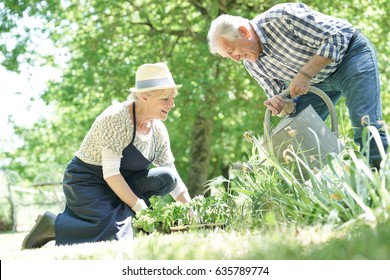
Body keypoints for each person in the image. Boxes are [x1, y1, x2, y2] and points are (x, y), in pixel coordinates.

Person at [22, 62, 192, 249]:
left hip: (123, 184)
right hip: (88, 182)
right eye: (166, 99)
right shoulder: (116, 118)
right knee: (114, 235)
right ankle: (51, 226)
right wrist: (141, 209)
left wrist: (191, 210)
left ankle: (129, 221)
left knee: (167, 178)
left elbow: (172, 173)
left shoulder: (158, 131)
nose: (172, 104)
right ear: (144, 96)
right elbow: (111, 173)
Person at [207, 2, 387, 169]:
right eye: (228, 56)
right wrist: (282, 106)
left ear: (244, 32)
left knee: (364, 120)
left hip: (350, 55)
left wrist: (305, 74)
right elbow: (287, 103)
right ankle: (321, 188)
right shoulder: (252, 64)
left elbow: (338, 37)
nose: (235, 59)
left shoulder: (281, 17)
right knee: (293, 134)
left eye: (232, 51)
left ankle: (380, 182)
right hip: (317, 81)